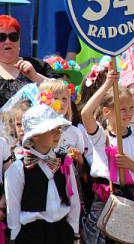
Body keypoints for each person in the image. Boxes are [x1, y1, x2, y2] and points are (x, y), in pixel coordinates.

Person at [80, 67, 134, 243]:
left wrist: (131, 164)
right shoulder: (101, 136)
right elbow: (86, 114)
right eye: (122, 109)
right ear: (107, 112)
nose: (129, 113)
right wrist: (108, 84)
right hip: (104, 200)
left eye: (130, 108)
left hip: (130, 201)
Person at [5, 104, 80, 243]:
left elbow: (73, 198)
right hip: (32, 234)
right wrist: (16, 236)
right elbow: (13, 206)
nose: (58, 133)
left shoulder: (64, 162)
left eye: (58, 129)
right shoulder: (18, 169)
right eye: (51, 129)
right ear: (36, 136)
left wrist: (73, 229)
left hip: (62, 231)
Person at [0, 15, 52, 107]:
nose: (8, 41)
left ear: (19, 40)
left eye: (13, 36)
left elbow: (63, 92)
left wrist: (35, 77)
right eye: (1, 37)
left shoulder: (39, 66)